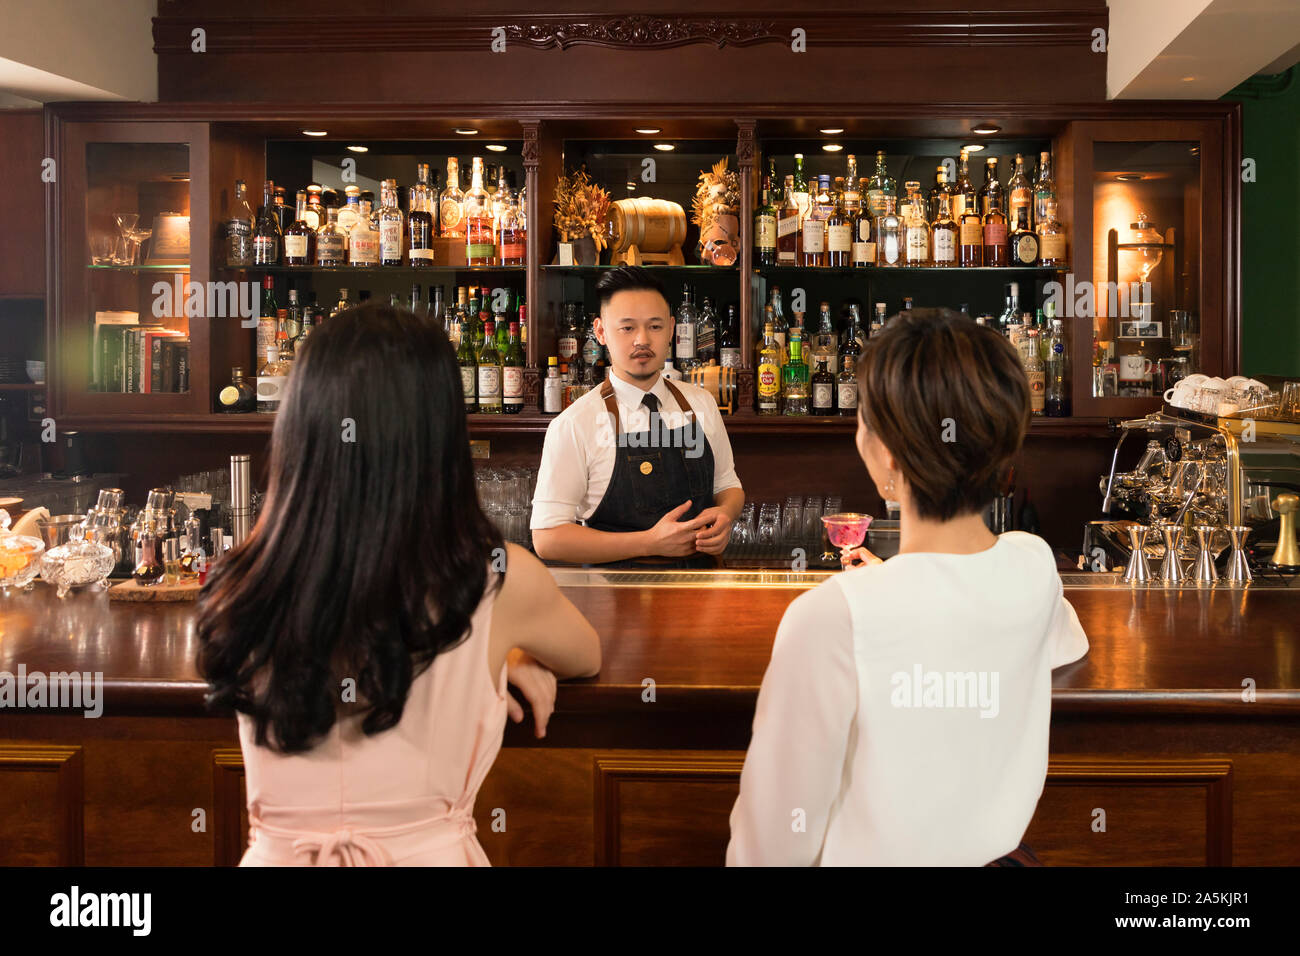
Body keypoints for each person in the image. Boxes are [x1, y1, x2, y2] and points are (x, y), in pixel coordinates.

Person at [197, 302, 600, 866]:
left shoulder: (241, 583)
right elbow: (585, 655)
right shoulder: (498, 582)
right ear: (439, 432)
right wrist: (503, 651)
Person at [726, 307, 1089, 866]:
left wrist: (885, 595)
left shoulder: (829, 619)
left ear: (887, 454)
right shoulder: (1035, 566)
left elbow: (768, 851)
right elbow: (1061, 644)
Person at [530, 266, 745, 565]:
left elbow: (728, 486)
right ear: (601, 331)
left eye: (655, 327)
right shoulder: (574, 424)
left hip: (702, 589)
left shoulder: (701, 403)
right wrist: (649, 543)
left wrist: (725, 514)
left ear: (671, 329)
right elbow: (548, 538)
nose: (642, 340)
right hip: (615, 596)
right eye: (627, 328)